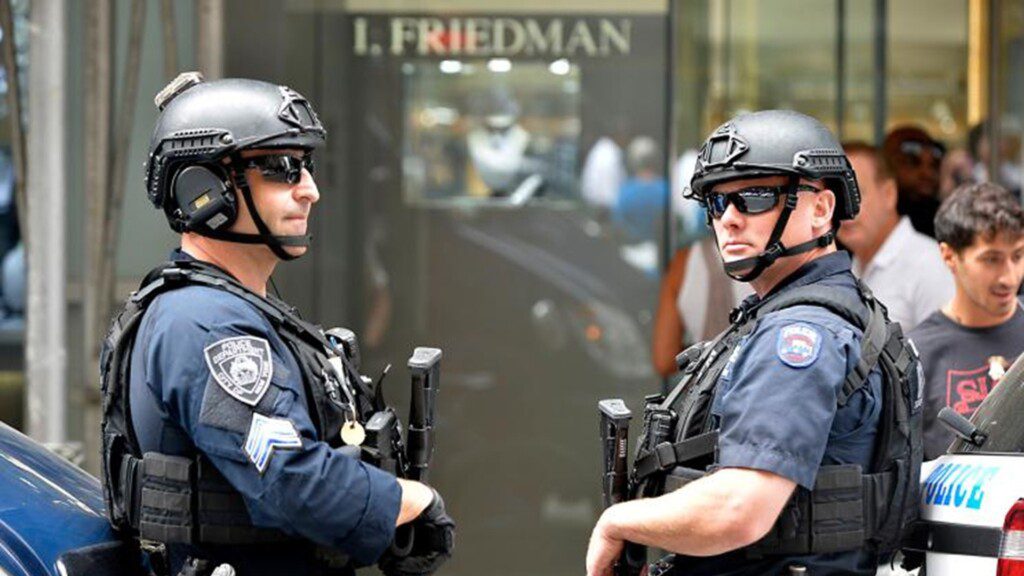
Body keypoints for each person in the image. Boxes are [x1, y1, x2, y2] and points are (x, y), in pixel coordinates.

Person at [99, 73, 453, 576]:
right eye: (281, 168)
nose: (309, 190)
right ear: (204, 188)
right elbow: (296, 482)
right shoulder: (205, 325)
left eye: (305, 166)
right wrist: (409, 499)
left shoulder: (241, 309)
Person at [587, 110, 921, 576]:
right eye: (716, 204)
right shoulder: (807, 313)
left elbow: (740, 509)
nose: (730, 219)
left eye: (755, 197)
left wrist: (617, 523)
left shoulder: (800, 336)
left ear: (821, 209)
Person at [909, 182, 1024, 460]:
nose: (1008, 277)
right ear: (949, 256)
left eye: (1018, 256)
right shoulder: (914, 355)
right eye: (991, 260)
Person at [838, 142, 954, 330]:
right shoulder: (850, 265)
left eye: (855, 194)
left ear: (889, 194)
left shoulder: (930, 265)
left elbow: (947, 353)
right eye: (836, 197)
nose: (845, 210)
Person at [883, 126, 944, 237]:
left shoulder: (947, 223)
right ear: (888, 166)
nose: (927, 174)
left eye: (933, 165)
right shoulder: (873, 220)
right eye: (913, 163)